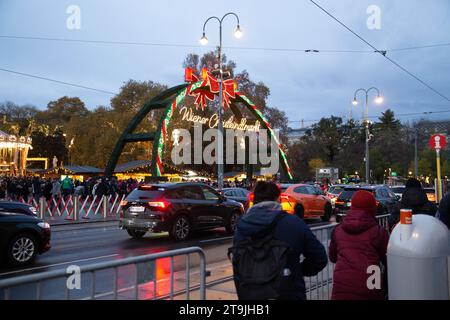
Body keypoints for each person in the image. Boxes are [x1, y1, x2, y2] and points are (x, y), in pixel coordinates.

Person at [232, 181, 328, 300]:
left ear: (254, 200)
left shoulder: (242, 226)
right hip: (289, 292)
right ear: (278, 199)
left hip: (251, 293)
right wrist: (298, 270)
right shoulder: (293, 223)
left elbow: (237, 261)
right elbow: (319, 258)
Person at [329, 190, 389, 300]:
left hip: (342, 285)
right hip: (370, 284)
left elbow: (332, 257)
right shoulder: (378, 232)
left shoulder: (338, 230)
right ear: (372, 209)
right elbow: (389, 261)